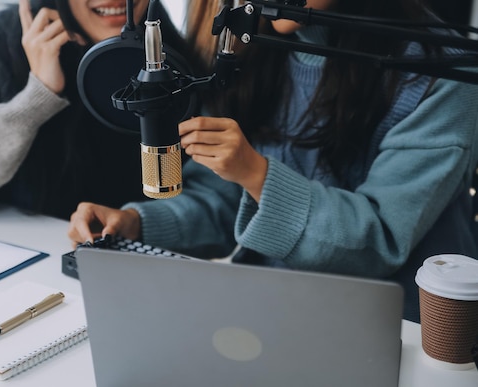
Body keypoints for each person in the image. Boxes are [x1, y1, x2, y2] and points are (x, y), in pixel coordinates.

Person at [68, 0, 478, 323]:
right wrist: (140, 224)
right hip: (275, 312)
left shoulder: (441, 72)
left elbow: (381, 240)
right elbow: (226, 198)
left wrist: (258, 174)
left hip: (405, 330)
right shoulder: (251, 48)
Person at [0, 0, 192, 220]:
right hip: (20, 268)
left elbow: (209, 198)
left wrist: (137, 223)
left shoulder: (176, 56)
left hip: (131, 267)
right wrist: (36, 96)